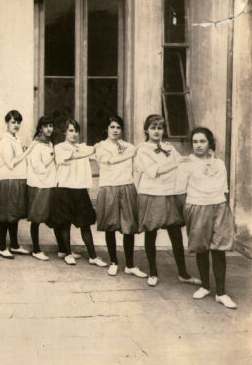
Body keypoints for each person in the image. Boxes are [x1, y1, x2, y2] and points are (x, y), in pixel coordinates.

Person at [135, 114, 200, 287]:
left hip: (170, 193)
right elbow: (153, 171)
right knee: (151, 232)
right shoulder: (142, 149)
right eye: (153, 128)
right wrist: (177, 162)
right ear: (146, 130)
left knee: (176, 233)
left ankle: (183, 273)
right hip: (152, 194)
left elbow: (183, 165)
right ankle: (153, 272)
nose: (157, 131)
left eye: (160, 128)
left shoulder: (169, 147)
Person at [179, 127, 237, 309]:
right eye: (195, 142)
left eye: (202, 141)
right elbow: (181, 190)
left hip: (218, 207)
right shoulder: (187, 163)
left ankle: (221, 292)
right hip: (197, 207)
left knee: (218, 249)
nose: (198, 145)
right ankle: (205, 285)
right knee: (201, 248)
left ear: (209, 143)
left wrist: (223, 209)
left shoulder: (219, 163)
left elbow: (224, 189)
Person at [95, 115, 147, 278]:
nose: (115, 130)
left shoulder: (128, 146)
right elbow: (110, 161)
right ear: (107, 129)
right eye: (112, 127)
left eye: (118, 127)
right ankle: (113, 262)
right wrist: (130, 154)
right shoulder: (101, 147)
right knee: (110, 226)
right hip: (109, 187)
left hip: (126, 186)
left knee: (129, 227)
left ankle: (130, 265)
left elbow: (138, 166)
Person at [51, 119, 107, 268]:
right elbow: (72, 156)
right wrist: (92, 149)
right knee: (65, 223)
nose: (74, 134)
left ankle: (93, 256)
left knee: (85, 223)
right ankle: (67, 253)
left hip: (80, 190)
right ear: (64, 132)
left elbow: (99, 154)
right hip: (64, 189)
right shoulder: (59, 147)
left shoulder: (82, 147)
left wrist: (103, 146)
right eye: (70, 130)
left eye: (76, 131)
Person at [0, 110, 34, 259]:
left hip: (18, 179)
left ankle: (15, 245)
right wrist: (27, 151)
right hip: (8, 180)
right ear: (7, 123)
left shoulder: (16, 139)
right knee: (6, 215)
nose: (16, 125)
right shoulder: (5, 140)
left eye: (18, 122)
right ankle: (2, 247)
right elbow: (11, 163)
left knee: (15, 214)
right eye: (13, 122)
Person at [26, 116, 56, 261]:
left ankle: (63, 249)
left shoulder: (49, 144)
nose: (49, 129)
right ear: (40, 129)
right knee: (36, 218)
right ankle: (36, 249)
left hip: (50, 184)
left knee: (54, 217)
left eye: (51, 126)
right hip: (39, 185)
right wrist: (53, 158)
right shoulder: (36, 145)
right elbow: (39, 168)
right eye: (46, 126)